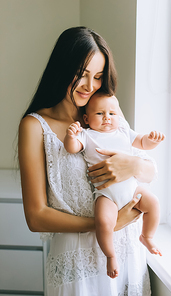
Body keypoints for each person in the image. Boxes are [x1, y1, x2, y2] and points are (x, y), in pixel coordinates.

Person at [18, 26, 157, 295]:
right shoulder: (35, 126)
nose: (90, 86)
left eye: (98, 76)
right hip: (75, 265)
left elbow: (150, 171)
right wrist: (106, 224)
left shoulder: (106, 115)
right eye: (81, 75)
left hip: (127, 257)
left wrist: (135, 165)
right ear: (62, 68)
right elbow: (36, 217)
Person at [64, 92, 164, 279]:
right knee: (103, 223)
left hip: (132, 188)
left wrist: (152, 140)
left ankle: (147, 236)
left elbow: (142, 143)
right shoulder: (87, 135)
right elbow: (72, 148)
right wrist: (71, 136)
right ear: (86, 118)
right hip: (106, 194)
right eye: (100, 114)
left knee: (153, 203)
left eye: (112, 113)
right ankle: (110, 255)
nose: (107, 118)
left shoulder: (124, 132)